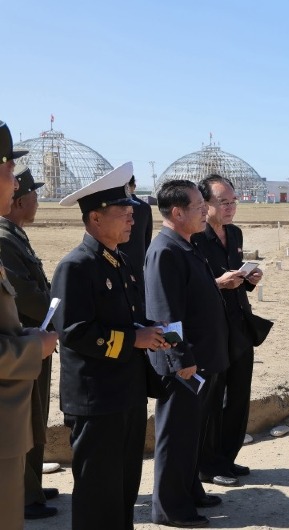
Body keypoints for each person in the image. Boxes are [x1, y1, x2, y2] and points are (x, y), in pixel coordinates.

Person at [51, 162, 168, 529]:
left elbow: (128, 316)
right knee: (98, 495)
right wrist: (135, 339)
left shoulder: (120, 261)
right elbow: (74, 332)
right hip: (97, 400)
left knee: (123, 490)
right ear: (96, 218)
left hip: (127, 394)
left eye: (132, 211)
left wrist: (151, 331)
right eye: (123, 211)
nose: (132, 219)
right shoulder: (76, 266)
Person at [145, 179, 229, 528]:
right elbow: (165, 315)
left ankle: (190, 490)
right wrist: (181, 360)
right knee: (176, 437)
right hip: (183, 365)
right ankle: (170, 508)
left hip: (201, 360)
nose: (205, 212)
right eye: (198, 207)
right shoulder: (165, 250)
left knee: (191, 434)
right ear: (177, 213)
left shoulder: (186, 245)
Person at [0, 120, 58, 530]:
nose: (15, 180)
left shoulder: (13, 235)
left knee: (35, 420)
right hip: (20, 354)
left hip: (28, 343)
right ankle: (27, 492)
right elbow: (27, 296)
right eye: (9, 170)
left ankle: (30, 488)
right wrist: (32, 344)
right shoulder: (4, 238)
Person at [194, 175, 263, 487]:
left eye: (233, 202)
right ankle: (208, 465)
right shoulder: (195, 238)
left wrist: (249, 280)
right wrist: (217, 284)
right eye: (223, 202)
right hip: (212, 330)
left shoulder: (234, 233)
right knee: (213, 399)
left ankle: (227, 457)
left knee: (238, 395)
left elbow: (235, 280)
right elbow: (192, 286)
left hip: (239, 326)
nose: (230, 208)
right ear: (205, 204)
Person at [118, 174, 153, 281]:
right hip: (139, 257)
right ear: (134, 186)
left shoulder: (116, 206)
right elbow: (148, 236)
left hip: (118, 257)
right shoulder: (145, 207)